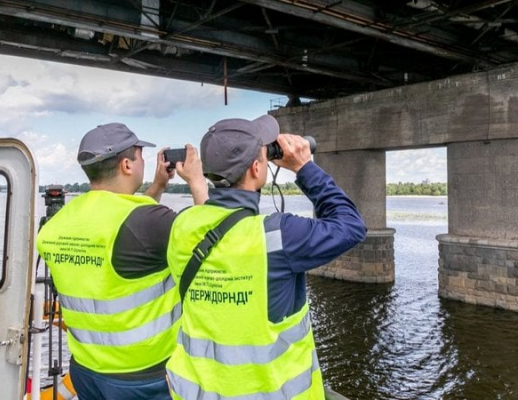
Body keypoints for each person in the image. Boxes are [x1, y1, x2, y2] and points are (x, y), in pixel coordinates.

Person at [164, 115, 367, 399]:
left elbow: (214, 221)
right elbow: (351, 226)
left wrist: (198, 183)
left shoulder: (181, 226)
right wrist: (304, 168)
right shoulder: (279, 235)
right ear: (258, 167)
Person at [36, 123, 208, 400]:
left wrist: (158, 186)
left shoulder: (55, 227)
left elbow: (123, 223)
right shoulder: (150, 222)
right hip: (145, 377)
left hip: (86, 371)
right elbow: (216, 239)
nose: (143, 162)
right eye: (140, 156)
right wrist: (197, 181)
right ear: (127, 165)